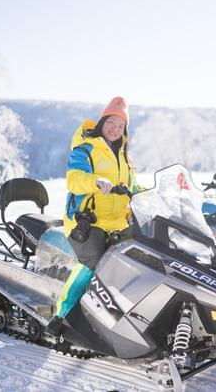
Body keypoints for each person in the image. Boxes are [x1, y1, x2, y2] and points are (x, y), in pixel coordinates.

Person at [47, 96, 137, 335]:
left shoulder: (125, 156)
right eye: (112, 123)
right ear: (102, 122)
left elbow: (131, 187)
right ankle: (62, 314)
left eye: (121, 126)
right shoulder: (86, 149)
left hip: (118, 221)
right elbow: (74, 180)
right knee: (93, 262)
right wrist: (96, 181)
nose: (115, 129)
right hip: (87, 221)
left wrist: (152, 194)